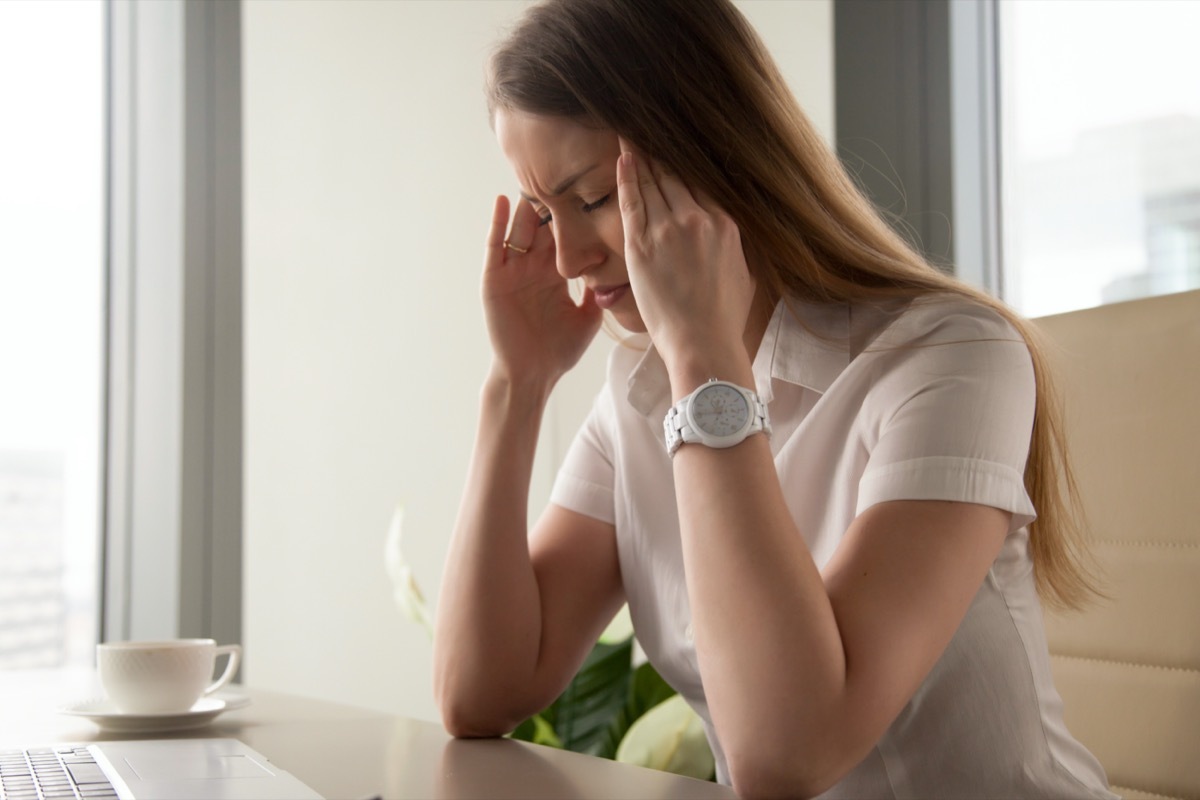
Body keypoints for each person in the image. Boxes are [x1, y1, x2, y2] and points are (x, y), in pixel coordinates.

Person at [432, 1, 1117, 797]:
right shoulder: (640, 391)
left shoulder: (950, 358)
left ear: (712, 153)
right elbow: (479, 693)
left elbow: (786, 753)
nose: (570, 257)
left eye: (592, 199)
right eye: (545, 214)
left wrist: (704, 359)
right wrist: (518, 385)